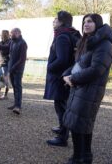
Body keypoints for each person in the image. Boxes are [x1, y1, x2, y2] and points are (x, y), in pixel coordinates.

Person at [62, 14, 112, 164]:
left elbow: (97, 69)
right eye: (84, 22)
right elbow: (80, 64)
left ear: (97, 24)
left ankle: (78, 158)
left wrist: (72, 78)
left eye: (90, 21)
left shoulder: (103, 45)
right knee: (83, 123)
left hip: (90, 89)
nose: (86, 24)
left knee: (79, 124)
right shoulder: (88, 42)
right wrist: (66, 74)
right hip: (80, 87)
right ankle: (86, 156)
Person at [43, 11, 82, 147]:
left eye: (55, 20)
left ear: (61, 22)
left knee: (61, 106)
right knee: (62, 105)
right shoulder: (71, 33)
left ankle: (62, 137)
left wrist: (49, 67)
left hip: (60, 77)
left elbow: (62, 60)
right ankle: (62, 128)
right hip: (64, 76)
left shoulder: (62, 36)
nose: (53, 22)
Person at [0, 28, 27, 115]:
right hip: (12, 68)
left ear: (18, 33)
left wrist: (12, 68)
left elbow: (22, 59)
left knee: (18, 87)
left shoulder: (22, 43)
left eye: (12, 34)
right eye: (10, 34)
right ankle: (15, 104)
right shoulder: (12, 42)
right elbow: (4, 47)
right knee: (15, 87)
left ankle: (18, 106)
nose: (10, 35)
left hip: (18, 70)